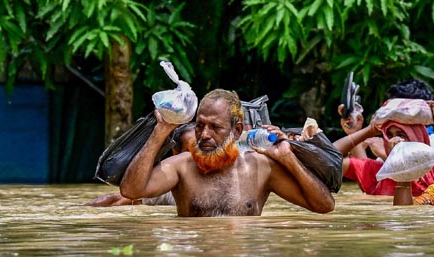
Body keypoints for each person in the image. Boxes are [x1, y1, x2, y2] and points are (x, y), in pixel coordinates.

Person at [118, 89, 335, 217]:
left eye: (215, 127)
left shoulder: (260, 167)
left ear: (237, 130)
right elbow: (130, 191)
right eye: (200, 126)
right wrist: (160, 132)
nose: (204, 134)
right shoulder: (181, 166)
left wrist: (288, 158)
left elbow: (324, 206)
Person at [338, 79, 434, 159]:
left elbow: (418, 185)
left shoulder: (433, 148)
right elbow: (370, 181)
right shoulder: (391, 142)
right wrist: (356, 133)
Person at [85, 122, 197, 207]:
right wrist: (79, 210)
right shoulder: (168, 186)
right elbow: (118, 199)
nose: (198, 157)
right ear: (176, 154)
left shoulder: (214, 180)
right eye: (190, 152)